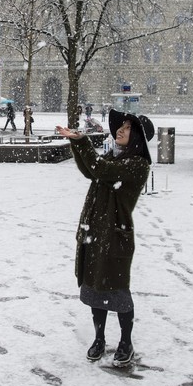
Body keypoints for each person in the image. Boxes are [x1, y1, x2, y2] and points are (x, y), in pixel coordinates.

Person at [55, 110, 154, 368]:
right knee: (94, 290)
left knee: (118, 293)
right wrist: (77, 143)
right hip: (94, 234)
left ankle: (126, 342)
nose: (120, 130)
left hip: (115, 237)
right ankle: (99, 339)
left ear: (138, 139)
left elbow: (98, 169)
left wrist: (81, 141)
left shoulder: (138, 165)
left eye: (127, 128)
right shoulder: (114, 157)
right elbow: (92, 171)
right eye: (121, 126)